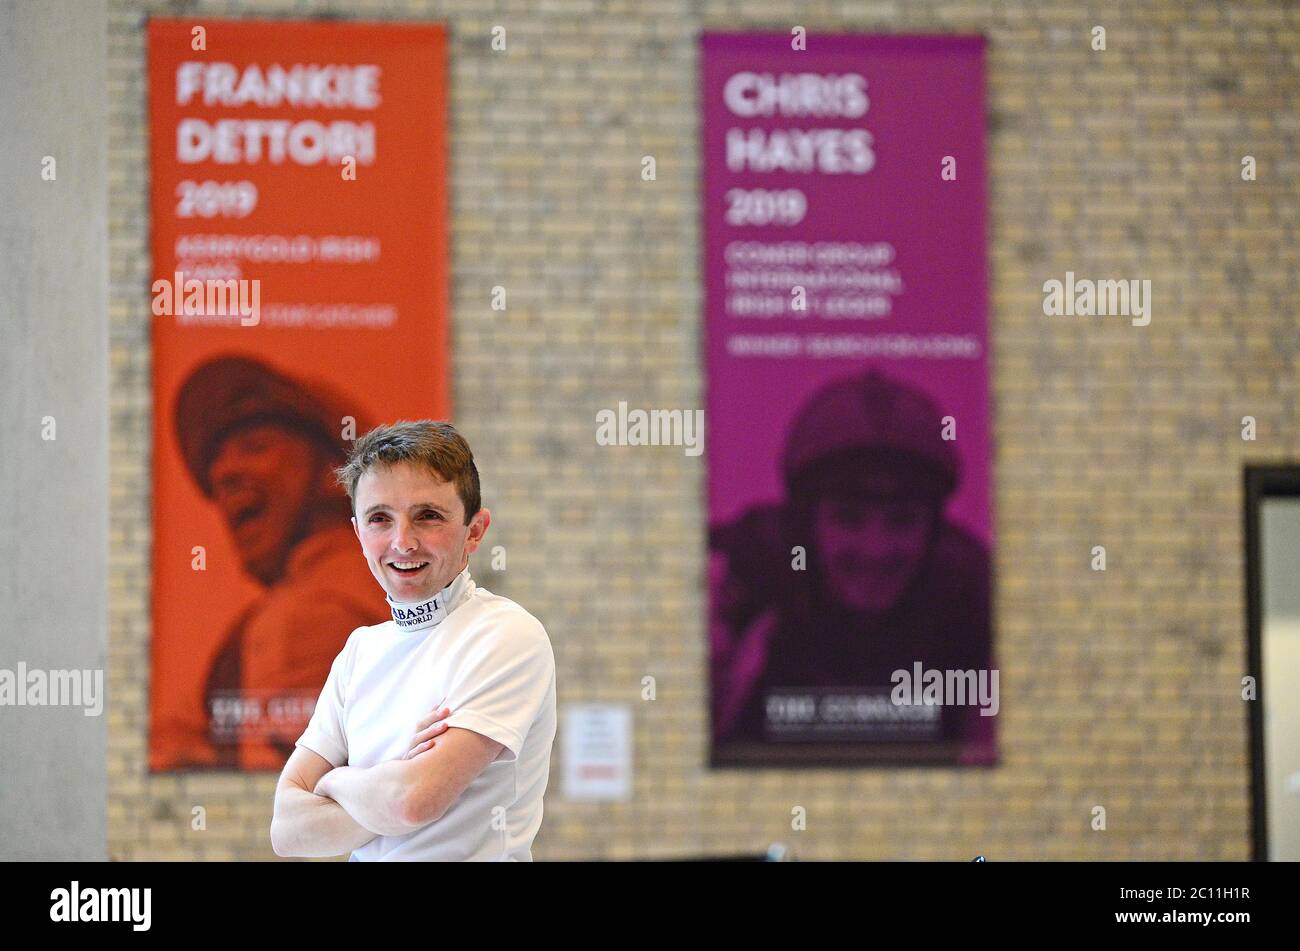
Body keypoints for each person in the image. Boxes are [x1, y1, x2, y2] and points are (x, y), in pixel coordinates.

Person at [270, 420, 557, 861]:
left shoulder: (506, 634)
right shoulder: (359, 651)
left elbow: (412, 802)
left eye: (428, 516)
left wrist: (334, 782)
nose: (402, 542)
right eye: (380, 519)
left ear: (475, 531)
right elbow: (288, 832)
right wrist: (388, 783)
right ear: (358, 533)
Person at [710, 369, 991, 754]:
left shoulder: (977, 599)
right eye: (848, 518)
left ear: (935, 531)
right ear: (805, 526)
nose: (876, 550)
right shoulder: (742, 576)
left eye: (903, 520)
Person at [163, 353, 387, 770]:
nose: (225, 474)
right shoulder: (254, 627)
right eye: (217, 469)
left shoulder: (309, 611)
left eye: (254, 447)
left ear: (332, 472)